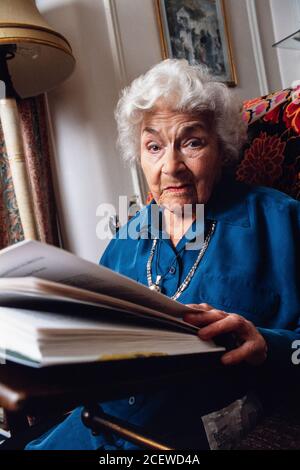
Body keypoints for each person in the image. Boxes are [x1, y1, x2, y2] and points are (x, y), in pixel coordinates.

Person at [25, 59, 300, 450]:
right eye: (154, 146)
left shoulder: (281, 221)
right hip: (93, 429)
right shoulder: (126, 238)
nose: (171, 167)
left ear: (221, 148)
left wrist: (266, 346)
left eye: (192, 142)